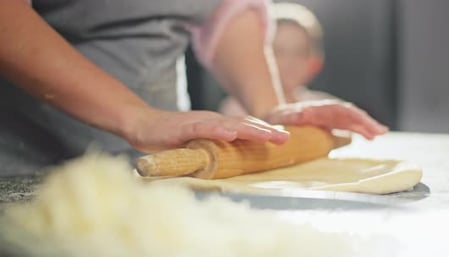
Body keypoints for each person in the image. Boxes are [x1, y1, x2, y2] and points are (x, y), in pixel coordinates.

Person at [0, 0, 387, 176]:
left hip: (170, 164)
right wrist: (139, 117)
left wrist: (269, 107)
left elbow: (224, 9)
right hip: (30, 165)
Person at [220, 2, 342, 117]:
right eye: (279, 51)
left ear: (314, 62)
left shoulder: (326, 107)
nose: (290, 62)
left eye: (300, 52)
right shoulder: (237, 109)